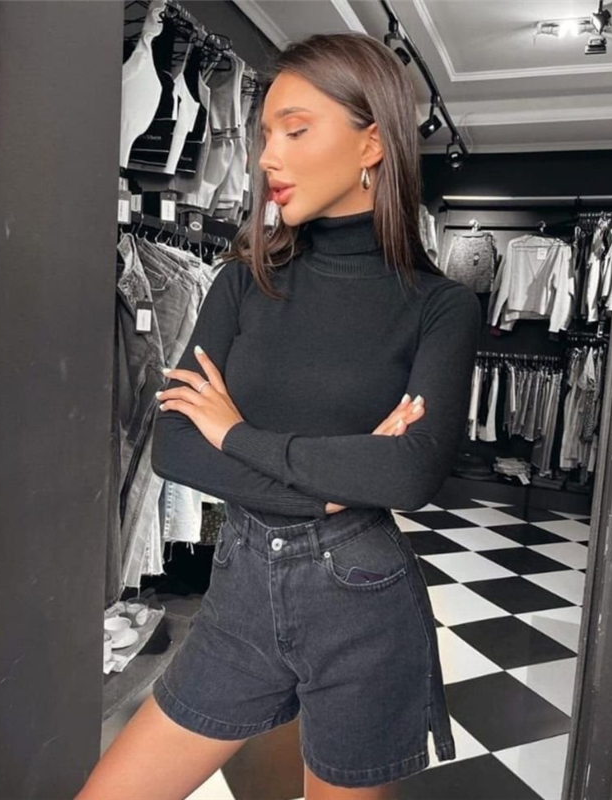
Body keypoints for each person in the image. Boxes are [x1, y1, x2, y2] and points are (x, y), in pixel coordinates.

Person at [77, 31, 480, 800]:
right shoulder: (241, 283)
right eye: (265, 135)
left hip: (360, 604)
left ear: (372, 143)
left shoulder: (441, 307)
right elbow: (173, 447)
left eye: (295, 131)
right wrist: (334, 485)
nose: (268, 157)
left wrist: (235, 434)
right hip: (237, 594)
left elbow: (410, 473)